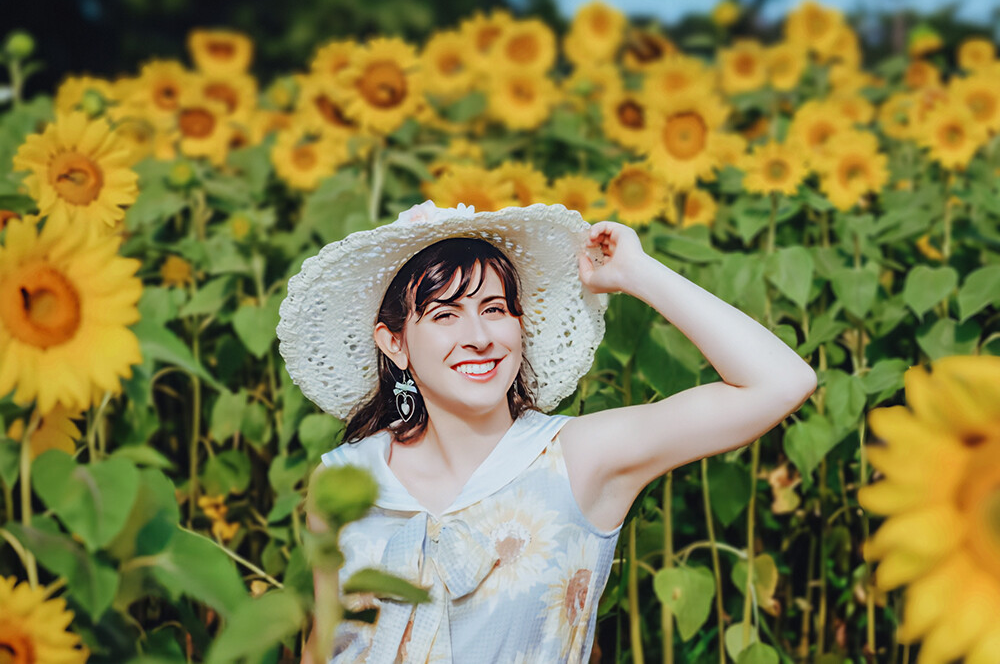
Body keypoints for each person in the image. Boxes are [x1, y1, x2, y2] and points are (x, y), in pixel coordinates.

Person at [278, 201, 816, 664]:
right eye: (445, 315)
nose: (481, 337)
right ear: (395, 343)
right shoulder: (345, 482)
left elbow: (780, 383)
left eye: (496, 309)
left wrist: (638, 273)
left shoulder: (575, 458)